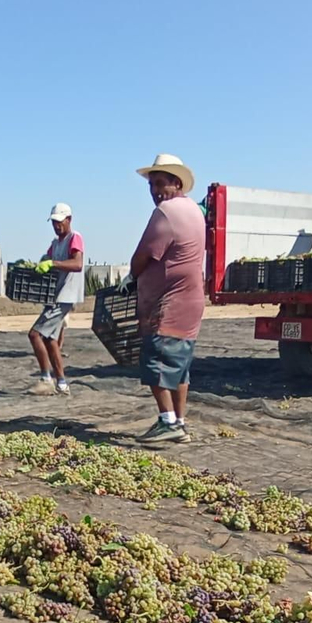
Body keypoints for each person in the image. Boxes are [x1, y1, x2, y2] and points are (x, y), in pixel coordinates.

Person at [127, 155, 205, 442]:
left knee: (156, 361)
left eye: (161, 184)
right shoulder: (195, 211)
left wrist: (132, 277)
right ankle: (180, 422)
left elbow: (143, 255)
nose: (155, 190)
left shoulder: (167, 212)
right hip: (191, 302)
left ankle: (167, 420)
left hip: (169, 304)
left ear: (177, 183)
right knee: (180, 368)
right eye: (152, 185)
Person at [27, 203, 85, 395]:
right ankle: (61, 383)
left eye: (59, 222)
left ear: (69, 220)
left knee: (35, 334)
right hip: (56, 295)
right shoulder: (55, 243)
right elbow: (48, 259)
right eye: (53, 222)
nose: (56, 225)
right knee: (51, 339)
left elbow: (77, 264)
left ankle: (46, 379)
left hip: (65, 296)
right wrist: (43, 262)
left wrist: (53, 263)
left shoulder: (74, 238)